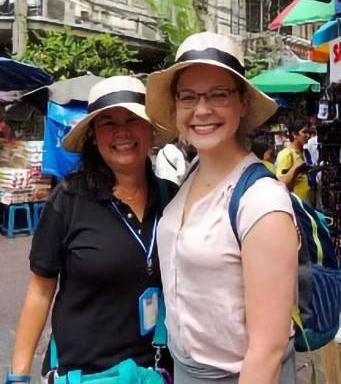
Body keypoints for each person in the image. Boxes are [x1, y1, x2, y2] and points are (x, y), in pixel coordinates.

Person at [146, 32, 299, 383]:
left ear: (242, 104)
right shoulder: (192, 175)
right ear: (176, 107)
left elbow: (267, 350)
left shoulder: (261, 201)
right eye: (188, 97)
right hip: (185, 369)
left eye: (218, 95)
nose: (202, 110)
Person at [8, 76, 177, 384]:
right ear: (94, 137)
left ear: (150, 129)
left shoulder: (173, 198)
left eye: (132, 119)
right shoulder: (69, 199)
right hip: (83, 373)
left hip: (156, 371)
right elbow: (40, 291)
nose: (122, 132)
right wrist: (17, 375)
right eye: (108, 123)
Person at [275, 120, 312, 204]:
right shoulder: (287, 154)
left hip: (304, 204)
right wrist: (295, 168)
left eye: (308, 132)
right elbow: (281, 182)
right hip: (294, 205)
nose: (308, 135)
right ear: (294, 134)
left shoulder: (302, 152)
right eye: (304, 132)